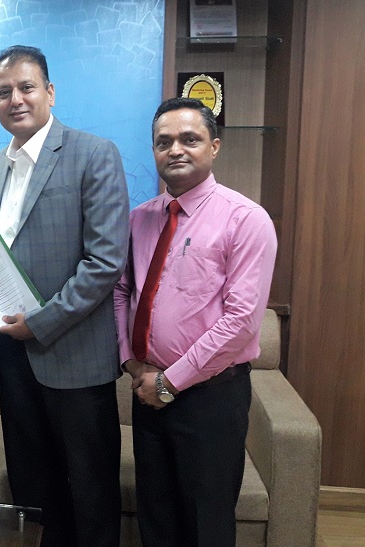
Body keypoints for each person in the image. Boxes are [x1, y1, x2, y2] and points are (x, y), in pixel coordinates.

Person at [0, 45, 129, 546]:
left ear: (49, 92)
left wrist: (38, 322)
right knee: (32, 491)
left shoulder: (93, 153)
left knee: (91, 491)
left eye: (26, 87)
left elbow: (105, 262)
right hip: (12, 354)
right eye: (3, 92)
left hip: (74, 356)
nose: (15, 99)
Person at [114, 97, 278, 546]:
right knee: (156, 519)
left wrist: (171, 382)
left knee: (207, 525)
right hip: (148, 392)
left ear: (214, 146)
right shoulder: (140, 219)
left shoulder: (246, 220)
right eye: (163, 142)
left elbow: (241, 322)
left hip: (210, 399)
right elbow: (122, 292)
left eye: (190, 139)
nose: (175, 150)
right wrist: (132, 362)